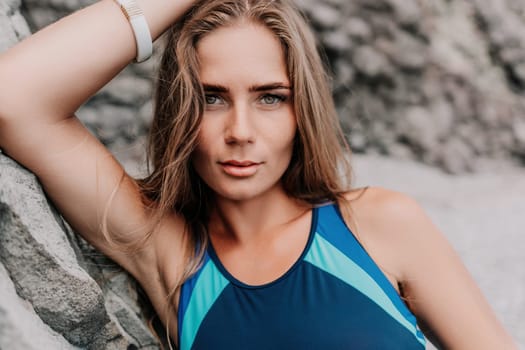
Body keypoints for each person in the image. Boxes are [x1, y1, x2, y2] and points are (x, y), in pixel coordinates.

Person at [0, 0, 517, 349]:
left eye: (271, 97)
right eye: (212, 98)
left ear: (302, 112)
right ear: (179, 112)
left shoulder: (381, 225)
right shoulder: (171, 254)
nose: (240, 131)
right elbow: (15, 97)